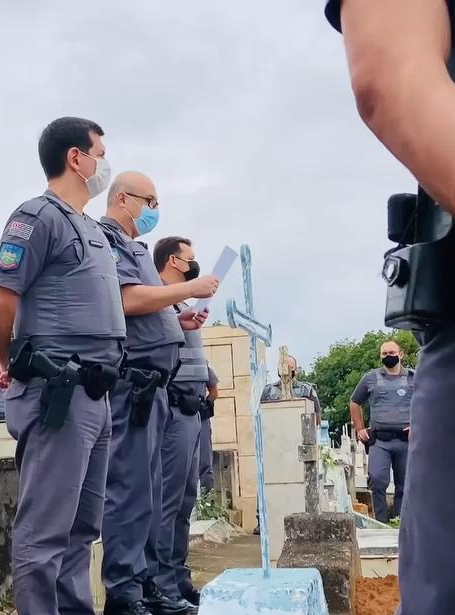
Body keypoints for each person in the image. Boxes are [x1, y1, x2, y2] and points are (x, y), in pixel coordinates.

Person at [325, 2, 455, 612]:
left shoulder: (397, 372)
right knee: (387, 491)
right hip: (387, 436)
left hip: (410, 434)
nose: (388, 355)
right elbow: (391, 77)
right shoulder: (372, 379)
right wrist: (356, 427)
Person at [0, 116, 126, 615]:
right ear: (75, 158)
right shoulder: (37, 216)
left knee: (82, 529)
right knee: (44, 533)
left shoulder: (91, 228)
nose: (104, 162)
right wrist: (6, 359)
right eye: (99, 153)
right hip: (58, 391)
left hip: (97, 392)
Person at [99, 175, 218, 615]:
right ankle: (125, 591)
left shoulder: (132, 247)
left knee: (149, 494)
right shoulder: (108, 237)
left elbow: (147, 309)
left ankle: (146, 584)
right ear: (124, 199)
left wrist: (178, 322)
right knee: (131, 492)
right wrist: (189, 289)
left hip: (157, 389)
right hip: (135, 385)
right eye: (150, 200)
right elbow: (127, 300)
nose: (154, 208)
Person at [151, 235, 213, 608]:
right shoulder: (156, 298)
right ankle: (161, 585)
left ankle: (178, 577)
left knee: (186, 499)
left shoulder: (182, 305)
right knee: (167, 500)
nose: (195, 263)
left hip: (193, 411)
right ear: (174, 261)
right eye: (191, 258)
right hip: (171, 409)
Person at [349, 341, 413, 523]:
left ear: (401, 354)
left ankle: (401, 522)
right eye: (384, 353)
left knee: (405, 484)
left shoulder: (413, 378)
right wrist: (360, 428)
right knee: (377, 480)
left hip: (406, 441)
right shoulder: (371, 378)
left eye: (391, 352)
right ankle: (381, 522)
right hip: (380, 441)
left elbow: (428, 402)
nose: (387, 356)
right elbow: (355, 402)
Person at [261, 355, 322, 423]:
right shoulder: (268, 391)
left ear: (296, 370)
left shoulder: (306, 390)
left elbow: (317, 418)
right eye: (283, 367)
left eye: (291, 368)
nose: (286, 371)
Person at [199, 364, 219, 494]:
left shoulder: (200, 363)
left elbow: (214, 392)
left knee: (205, 462)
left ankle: (208, 504)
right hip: (175, 415)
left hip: (201, 417)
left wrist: (206, 405)